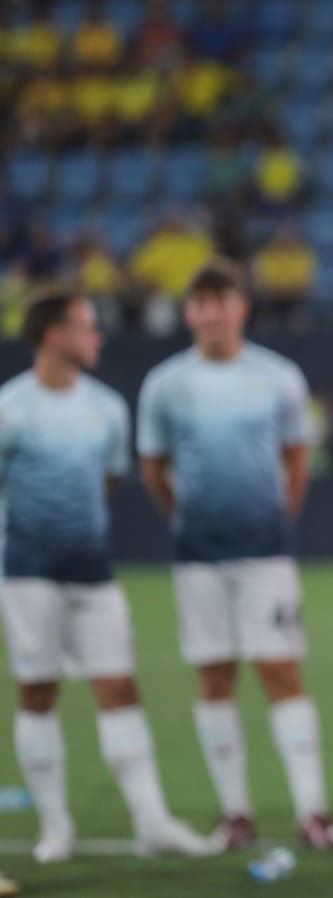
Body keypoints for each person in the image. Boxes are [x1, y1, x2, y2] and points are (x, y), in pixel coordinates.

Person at [137, 261, 333, 851]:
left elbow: (297, 458)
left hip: (265, 553)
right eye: (199, 303)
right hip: (197, 554)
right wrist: (182, 517)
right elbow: (153, 467)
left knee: (281, 670)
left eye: (219, 301)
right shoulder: (165, 384)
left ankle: (312, 811)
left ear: (240, 308)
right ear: (188, 313)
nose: (210, 313)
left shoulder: (278, 377)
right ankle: (235, 812)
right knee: (213, 675)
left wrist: (282, 517)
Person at [1, 291, 215, 864]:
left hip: (93, 571)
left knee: (119, 687)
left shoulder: (106, 408)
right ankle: (56, 828)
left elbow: (107, 485)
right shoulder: (10, 408)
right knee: (38, 690)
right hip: (27, 573)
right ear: (52, 335)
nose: (97, 338)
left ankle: (152, 822)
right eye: (86, 328)